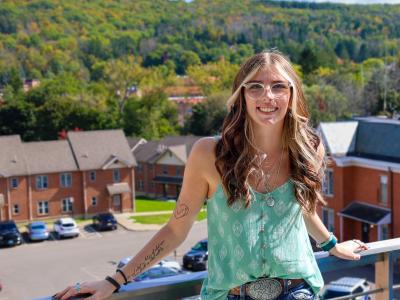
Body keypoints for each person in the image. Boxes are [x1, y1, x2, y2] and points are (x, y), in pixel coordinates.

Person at [53, 50, 368, 300]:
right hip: (230, 295)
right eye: (255, 86)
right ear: (241, 97)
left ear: (292, 94)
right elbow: (176, 230)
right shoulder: (209, 155)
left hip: (298, 291)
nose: (267, 96)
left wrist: (331, 246)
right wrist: (114, 280)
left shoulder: (309, 148)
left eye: (278, 86)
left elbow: (304, 208)